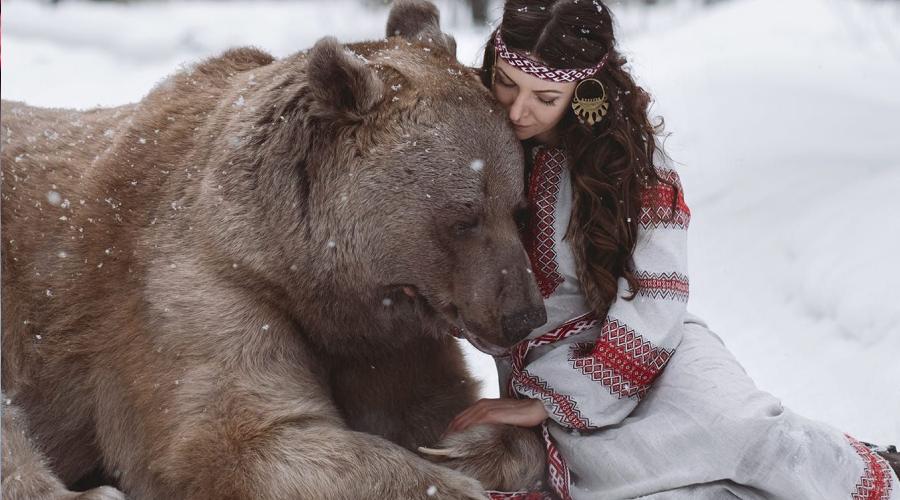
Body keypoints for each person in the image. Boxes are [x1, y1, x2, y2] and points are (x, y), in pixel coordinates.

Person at [440, 0, 900, 499]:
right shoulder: (470, 148)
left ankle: (876, 477)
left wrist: (563, 400)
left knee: (743, 430)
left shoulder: (630, 162)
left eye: (544, 96)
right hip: (547, 366)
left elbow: (658, 299)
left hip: (649, 345)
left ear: (584, 90)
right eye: (505, 82)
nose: (516, 110)